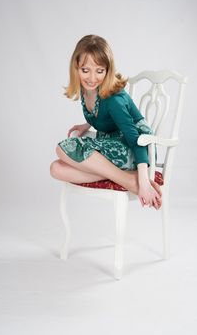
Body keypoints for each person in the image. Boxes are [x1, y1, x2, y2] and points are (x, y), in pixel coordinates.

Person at [50, 34, 162, 209]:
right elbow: (101, 112)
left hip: (137, 149)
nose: (92, 78)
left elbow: (136, 140)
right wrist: (87, 123)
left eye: (99, 71)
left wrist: (144, 180)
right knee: (56, 169)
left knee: (62, 148)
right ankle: (126, 178)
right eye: (85, 70)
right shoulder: (86, 88)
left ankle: (132, 180)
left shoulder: (114, 99)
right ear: (76, 68)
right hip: (112, 143)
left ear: (108, 70)